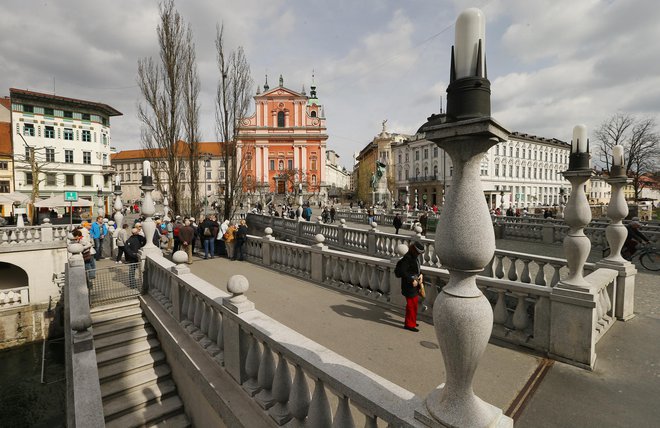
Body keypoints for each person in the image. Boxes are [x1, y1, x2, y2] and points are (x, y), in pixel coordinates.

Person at [398, 242, 424, 332]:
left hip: (414, 284)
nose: (419, 254)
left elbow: (416, 269)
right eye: (419, 252)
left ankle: (411, 321)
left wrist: (421, 275)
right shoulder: (407, 258)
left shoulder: (414, 257)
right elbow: (402, 271)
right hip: (409, 285)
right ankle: (409, 324)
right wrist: (412, 280)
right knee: (411, 305)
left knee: (414, 304)